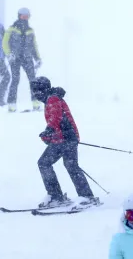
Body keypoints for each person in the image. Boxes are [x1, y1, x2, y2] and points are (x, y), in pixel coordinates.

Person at [31, 76, 99, 209]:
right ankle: (86, 196)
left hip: (65, 139)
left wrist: (49, 131)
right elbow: (57, 121)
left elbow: (56, 118)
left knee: (44, 163)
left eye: (37, 90)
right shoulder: (52, 98)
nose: (35, 93)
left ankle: (56, 196)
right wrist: (49, 134)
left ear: (44, 89)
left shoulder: (53, 99)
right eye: (34, 91)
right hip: (67, 138)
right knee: (71, 165)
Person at [3, 7, 43, 112]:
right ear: (19, 16)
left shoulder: (30, 30)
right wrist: (9, 54)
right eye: (23, 16)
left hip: (27, 58)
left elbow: (34, 46)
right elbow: (4, 43)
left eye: (27, 17)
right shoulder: (11, 29)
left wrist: (37, 58)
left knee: (33, 80)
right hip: (15, 58)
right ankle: (12, 104)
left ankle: (36, 103)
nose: (25, 18)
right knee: (15, 80)